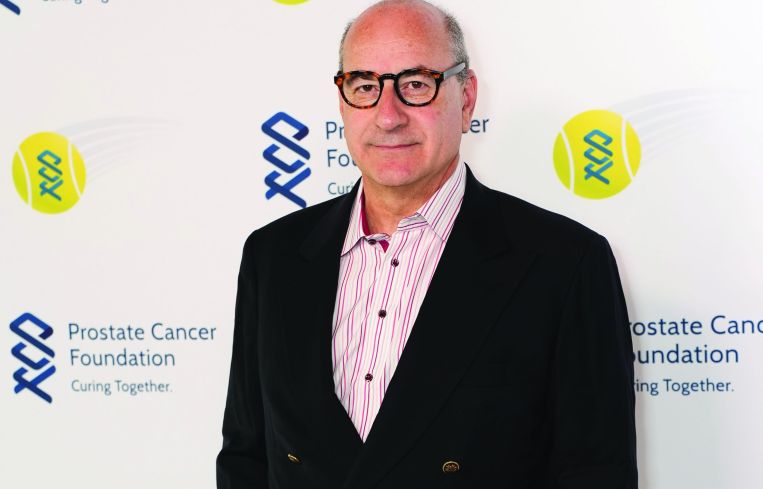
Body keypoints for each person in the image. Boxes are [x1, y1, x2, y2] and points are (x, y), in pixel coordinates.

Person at [217, 0, 638, 487]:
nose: (388, 116)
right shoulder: (273, 256)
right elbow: (246, 459)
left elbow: (595, 473)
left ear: (467, 98)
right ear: (342, 102)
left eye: (416, 84)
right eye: (365, 86)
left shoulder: (565, 265)